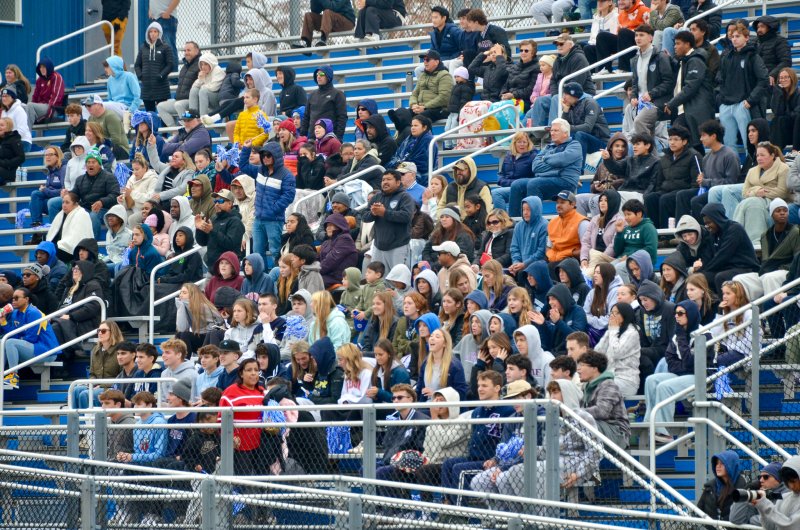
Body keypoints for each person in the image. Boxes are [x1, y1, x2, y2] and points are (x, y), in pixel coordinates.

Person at [238, 143, 296, 269]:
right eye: (263, 155)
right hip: (258, 219)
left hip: (274, 220)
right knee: (257, 252)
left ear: (276, 156)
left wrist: (273, 209)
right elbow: (242, 165)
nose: (265, 158)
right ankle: (262, 278)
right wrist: (246, 148)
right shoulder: (259, 170)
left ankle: (279, 277)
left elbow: (289, 196)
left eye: (268, 155)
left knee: (275, 251)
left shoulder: (286, 175)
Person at [509, 120, 583, 211]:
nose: (552, 133)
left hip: (566, 182)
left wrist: (545, 158)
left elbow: (561, 160)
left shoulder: (574, 145)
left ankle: (534, 220)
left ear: (565, 133)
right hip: (546, 179)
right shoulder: (548, 147)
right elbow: (535, 166)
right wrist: (555, 167)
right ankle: (514, 221)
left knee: (534, 183)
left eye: (556, 131)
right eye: (551, 130)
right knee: (517, 184)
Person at [675, 120, 741, 221]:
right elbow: (706, 180)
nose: (701, 139)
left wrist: (706, 181)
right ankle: (683, 228)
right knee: (682, 195)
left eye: (703, 135)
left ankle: (704, 230)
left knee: (696, 201)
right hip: (708, 190)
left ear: (713, 136)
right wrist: (702, 179)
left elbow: (731, 182)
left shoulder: (729, 155)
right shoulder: (706, 157)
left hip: (722, 193)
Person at [717, 22, 769, 148]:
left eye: (738, 36)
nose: (734, 39)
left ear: (746, 38)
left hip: (744, 104)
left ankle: (753, 166)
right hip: (726, 105)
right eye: (733, 36)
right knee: (728, 144)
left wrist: (750, 100)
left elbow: (763, 80)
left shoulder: (753, 56)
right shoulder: (726, 57)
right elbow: (719, 79)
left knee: (749, 143)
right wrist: (721, 99)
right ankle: (732, 168)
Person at [0, 288, 61, 387]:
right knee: (2, 342)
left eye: (16, 298)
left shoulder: (33, 312)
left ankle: (13, 376)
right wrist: (3, 322)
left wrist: (18, 340)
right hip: (32, 347)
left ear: (26, 299)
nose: (13, 301)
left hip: (46, 350)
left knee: (10, 342)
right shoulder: (16, 313)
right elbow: (13, 335)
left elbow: (31, 338)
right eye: (12, 298)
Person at [733, 142, 791, 245]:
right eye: (757, 155)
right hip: (756, 199)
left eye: (762, 155)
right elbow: (744, 193)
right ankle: (739, 239)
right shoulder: (752, 171)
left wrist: (761, 193)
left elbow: (782, 192)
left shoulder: (783, 168)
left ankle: (754, 242)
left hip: (774, 202)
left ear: (772, 155)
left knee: (751, 202)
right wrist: (756, 192)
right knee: (747, 202)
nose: (759, 158)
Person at [530, 34, 594, 127]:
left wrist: (560, 94)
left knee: (556, 99)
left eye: (561, 44)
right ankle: (537, 133)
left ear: (570, 45)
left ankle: (554, 130)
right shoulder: (558, 60)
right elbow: (553, 81)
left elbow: (577, 83)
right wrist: (556, 93)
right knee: (540, 101)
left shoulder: (579, 58)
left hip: (581, 93)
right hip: (562, 93)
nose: (558, 46)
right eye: (557, 44)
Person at [698, 203, 760, 293]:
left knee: (720, 277)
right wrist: (700, 271)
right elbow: (709, 256)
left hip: (746, 268)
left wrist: (704, 270)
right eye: (705, 224)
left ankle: (725, 306)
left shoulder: (735, 229)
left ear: (717, 218)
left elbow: (723, 256)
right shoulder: (713, 234)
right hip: (727, 268)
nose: (707, 226)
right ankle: (711, 305)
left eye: (709, 222)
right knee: (700, 277)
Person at [363, 170, 415, 271]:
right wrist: (373, 213)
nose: (385, 182)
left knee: (398, 281)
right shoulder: (377, 197)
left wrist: (384, 213)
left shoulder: (405, 197)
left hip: (398, 246)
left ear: (398, 182)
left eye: (389, 179)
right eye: (383, 180)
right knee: (379, 280)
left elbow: (406, 216)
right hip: (378, 247)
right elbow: (364, 216)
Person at [577, 351, 631, 448]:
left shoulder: (608, 384)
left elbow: (601, 411)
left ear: (594, 368)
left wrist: (573, 412)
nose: (578, 369)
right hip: (600, 429)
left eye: (582, 365)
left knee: (582, 423)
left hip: (617, 433)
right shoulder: (586, 387)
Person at [697, 450, 758, 525]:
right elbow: (698, 511)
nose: (718, 466)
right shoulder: (709, 488)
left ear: (731, 465)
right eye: (717, 463)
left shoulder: (744, 489)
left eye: (722, 463)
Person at [594, 303, 640, 397]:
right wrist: (609, 331)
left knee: (600, 388)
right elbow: (597, 354)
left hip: (626, 379)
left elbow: (616, 353)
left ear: (625, 315)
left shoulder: (632, 333)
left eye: (617, 313)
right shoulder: (613, 331)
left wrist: (613, 329)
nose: (612, 315)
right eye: (611, 313)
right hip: (609, 377)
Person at [194, 189, 245, 269]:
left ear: (230, 203)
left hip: (228, 268)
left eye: (220, 201)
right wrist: (200, 229)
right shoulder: (214, 219)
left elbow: (231, 244)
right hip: (212, 268)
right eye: (215, 201)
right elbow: (203, 242)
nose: (217, 204)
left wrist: (212, 231)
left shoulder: (235, 221)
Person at [595, 0, 650, 72]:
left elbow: (650, 32)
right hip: (624, 44)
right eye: (619, 0)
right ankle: (604, 69)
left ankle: (623, 68)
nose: (620, 2)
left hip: (639, 44)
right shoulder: (620, 15)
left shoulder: (644, 10)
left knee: (623, 32)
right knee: (602, 36)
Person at [157, 41, 200, 127]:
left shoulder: (200, 64)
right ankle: (176, 132)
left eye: (189, 50)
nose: (186, 53)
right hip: (179, 99)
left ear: (196, 51)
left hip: (192, 102)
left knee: (179, 105)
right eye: (185, 51)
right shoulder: (184, 67)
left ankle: (189, 129)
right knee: (160, 106)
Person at [134, 22, 174, 111]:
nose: (153, 34)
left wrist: (161, 75)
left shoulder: (166, 47)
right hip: (147, 88)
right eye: (151, 31)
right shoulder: (143, 47)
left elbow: (170, 64)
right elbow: (137, 65)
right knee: (149, 114)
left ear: (159, 33)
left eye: (155, 31)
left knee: (163, 112)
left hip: (161, 87)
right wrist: (140, 75)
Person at [491, 132, 536, 213]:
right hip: (509, 187)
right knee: (494, 195)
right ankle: (503, 218)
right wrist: (507, 182)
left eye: (524, 142)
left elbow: (535, 177)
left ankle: (503, 219)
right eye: (519, 142)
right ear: (514, 144)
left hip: (523, 189)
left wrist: (516, 184)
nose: (522, 144)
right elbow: (501, 174)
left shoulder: (533, 157)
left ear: (528, 144)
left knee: (496, 193)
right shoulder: (508, 156)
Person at [752, 456, 800, 529]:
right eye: (788, 481)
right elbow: (770, 527)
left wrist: (766, 505)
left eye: (793, 481)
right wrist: (761, 507)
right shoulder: (784, 497)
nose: (791, 486)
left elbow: (791, 526)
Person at [45, 192, 94, 263]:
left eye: (67, 203)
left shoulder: (82, 214)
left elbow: (76, 240)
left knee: (48, 251)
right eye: (63, 202)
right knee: (43, 248)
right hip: (60, 247)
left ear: (76, 204)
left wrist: (58, 245)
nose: (64, 205)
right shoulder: (60, 215)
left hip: (72, 251)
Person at [300, 66, 347, 140]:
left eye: (321, 74)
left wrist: (338, 138)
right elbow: (306, 117)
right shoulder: (312, 95)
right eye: (317, 75)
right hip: (312, 138)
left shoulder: (337, 94)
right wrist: (302, 136)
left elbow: (342, 117)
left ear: (328, 76)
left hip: (330, 138)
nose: (318, 76)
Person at [546, 191, 589, 271]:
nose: (558, 205)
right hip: (554, 259)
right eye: (557, 203)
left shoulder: (582, 222)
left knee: (551, 268)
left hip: (572, 261)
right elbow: (549, 247)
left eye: (562, 202)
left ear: (572, 204)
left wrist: (570, 253)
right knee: (534, 268)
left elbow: (587, 249)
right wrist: (552, 256)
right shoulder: (552, 222)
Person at [319, 213, 358, 288]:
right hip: (326, 275)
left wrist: (316, 271)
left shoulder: (345, 239)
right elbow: (317, 259)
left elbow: (331, 261)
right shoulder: (327, 242)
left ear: (339, 225)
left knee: (313, 279)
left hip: (338, 278)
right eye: (327, 226)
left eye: (331, 225)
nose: (328, 228)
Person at [25, 58, 65, 128]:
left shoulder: (56, 77)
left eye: (44, 67)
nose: (41, 69)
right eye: (40, 67)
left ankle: (26, 134)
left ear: (49, 67)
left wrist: (50, 112)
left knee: (30, 105)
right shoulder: (39, 80)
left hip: (53, 109)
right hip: (41, 107)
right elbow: (35, 97)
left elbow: (56, 97)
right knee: (21, 107)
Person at [752, 16, 791, 86]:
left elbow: (786, 62)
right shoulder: (754, 42)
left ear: (770, 27)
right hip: (756, 82)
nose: (759, 30)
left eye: (762, 27)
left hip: (773, 83)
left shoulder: (780, 41)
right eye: (758, 27)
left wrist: (773, 75)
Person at [770, 67, 800, 151]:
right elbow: (777, 112)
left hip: (797, 128)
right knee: (777, 120)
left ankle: (795, 150)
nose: (783, 80)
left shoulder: (798, 93)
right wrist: (779, 94)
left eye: (786, 77)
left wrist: (786, 116)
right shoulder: (778, 93)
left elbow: (797, 114)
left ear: (792, 78)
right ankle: (775, 152)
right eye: (781, 78)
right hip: (786, 130)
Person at [0, 116, 23, 187]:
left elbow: (21, 157)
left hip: (10, 171)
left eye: (2, 125)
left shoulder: (14, 139)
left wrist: (5, 163)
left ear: (8, 127)